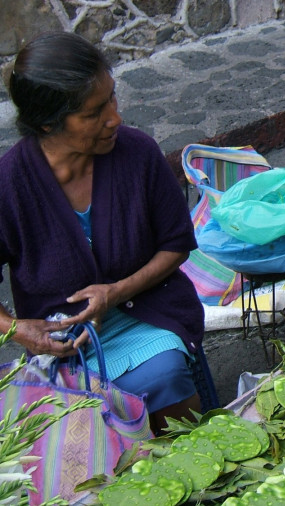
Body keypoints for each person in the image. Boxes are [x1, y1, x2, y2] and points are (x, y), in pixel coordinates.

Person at [0, 32, 205, 433]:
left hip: (148, 315)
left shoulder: (138, 154)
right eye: (94, 113)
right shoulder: (9, 185)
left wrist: (116, 291)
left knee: (164, 375)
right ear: (48, 122)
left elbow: (176, 244)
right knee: (81, 431)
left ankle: (190, 458)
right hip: (66, 345)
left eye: (112, 98)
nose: (115, 118)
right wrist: (17, 329)